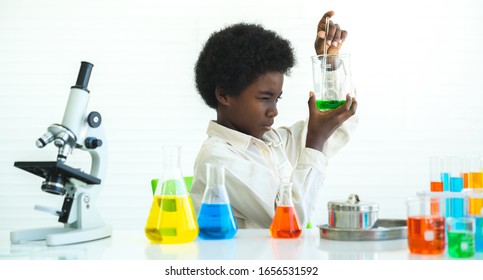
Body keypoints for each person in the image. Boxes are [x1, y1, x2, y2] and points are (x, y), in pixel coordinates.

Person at [190, 11, 358, 229]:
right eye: (264, 98)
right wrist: (314, 140)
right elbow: (289, 223)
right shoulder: (217, 159)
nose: (274, 111)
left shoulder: (273, 142)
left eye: (277, 98)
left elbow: (342, 123)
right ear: (224, 95)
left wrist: (328, 63)